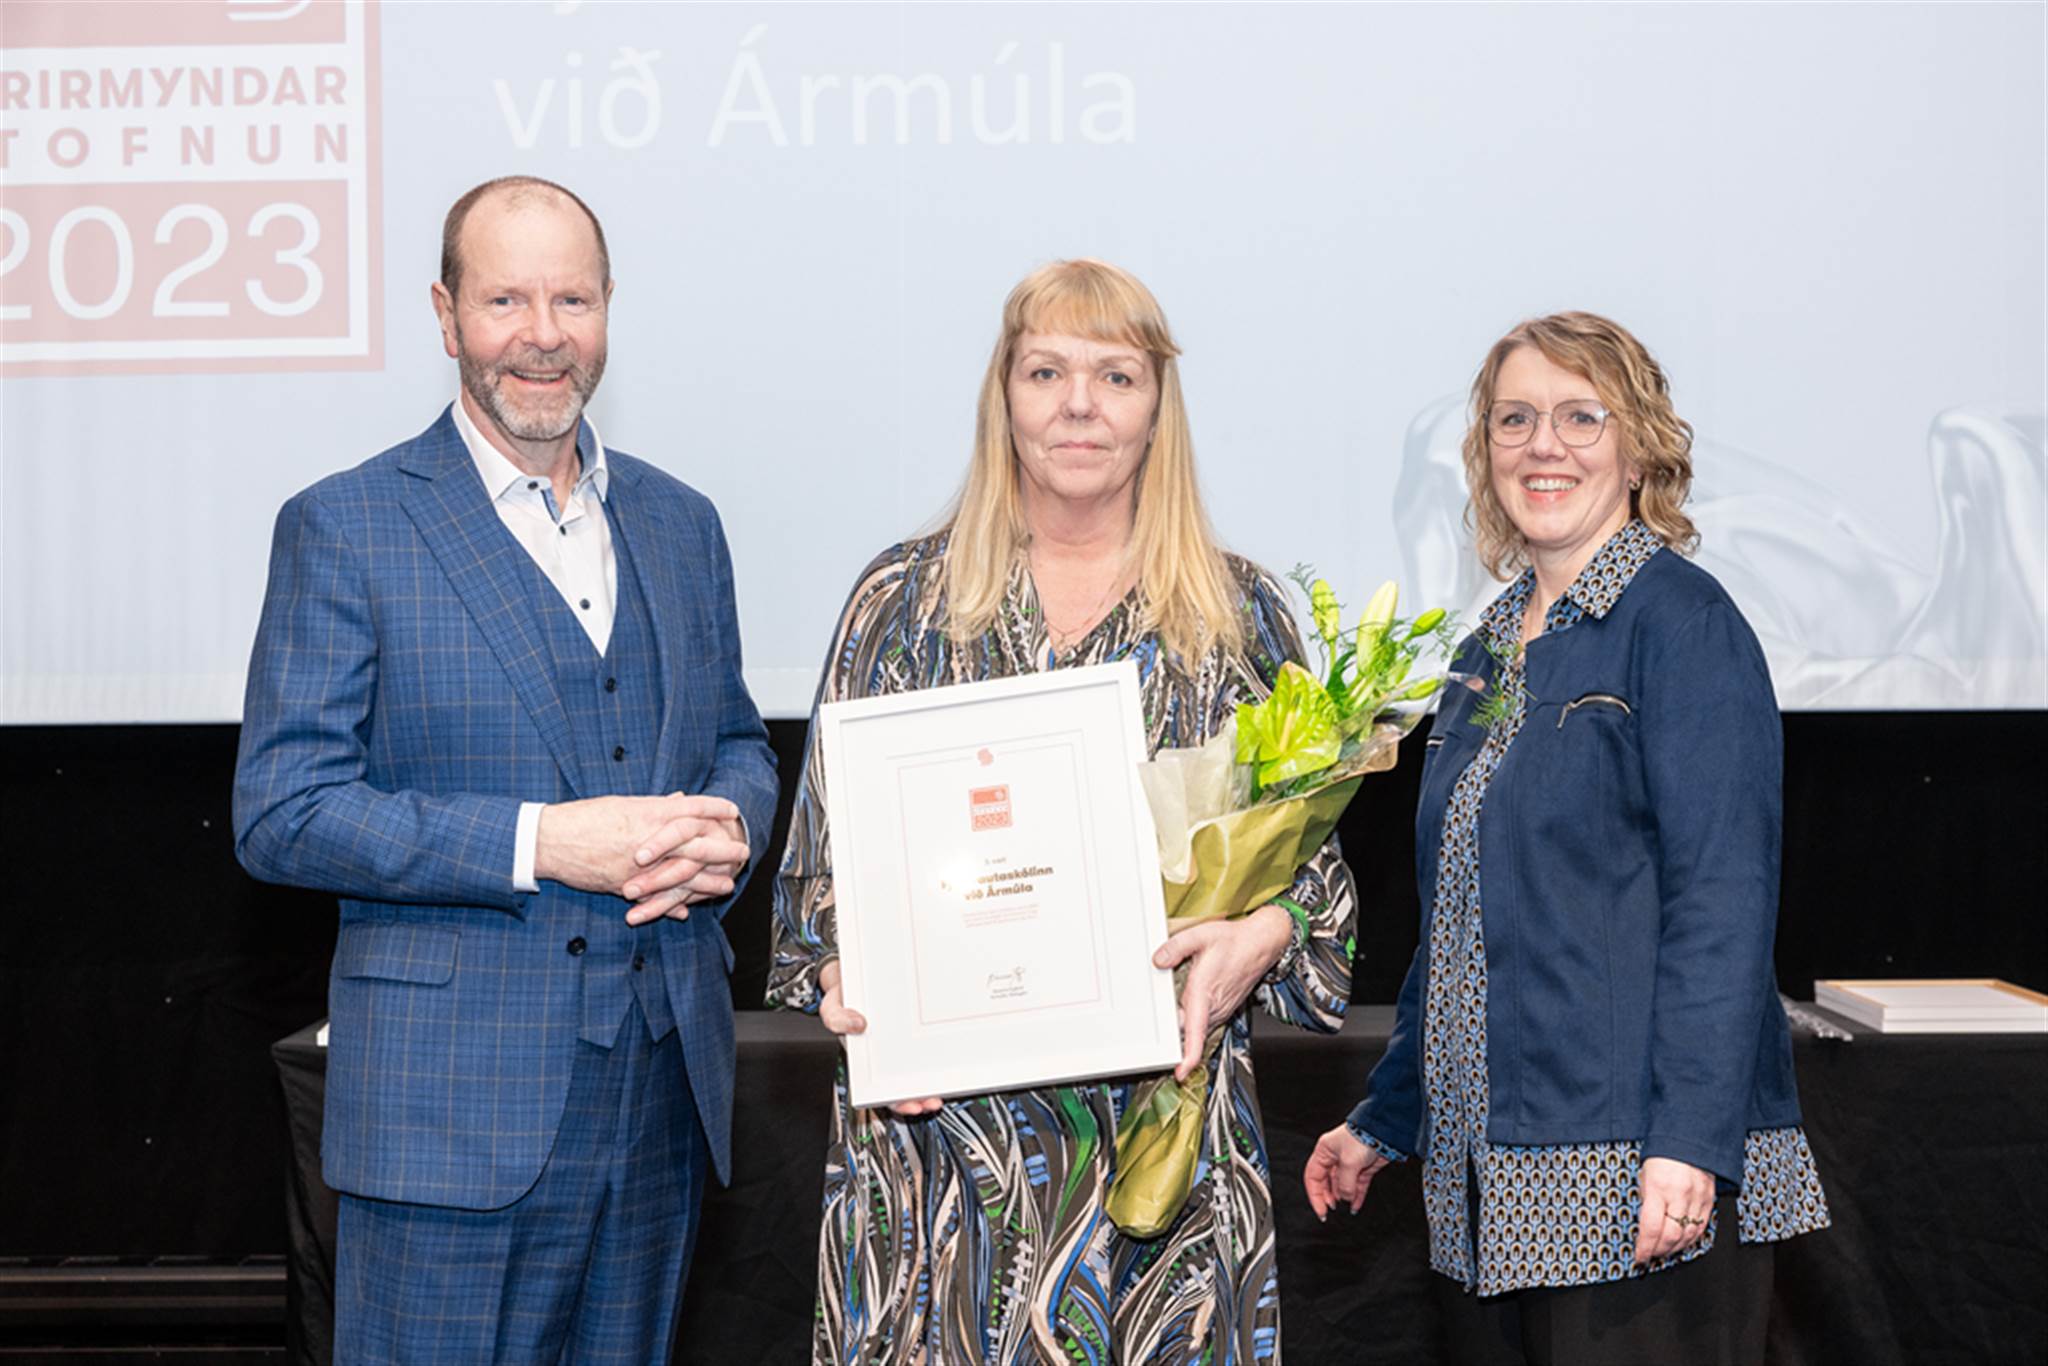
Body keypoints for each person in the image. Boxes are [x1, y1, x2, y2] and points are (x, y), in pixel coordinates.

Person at [767, 259, 1358, 1363]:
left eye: (1115, 376)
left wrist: (1263, 935)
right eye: (1045, 372)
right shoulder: (898, 605)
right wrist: (855, 982)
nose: (1078, 404)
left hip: (1163, 1162)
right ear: (1003, 396)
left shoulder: (1239, 616)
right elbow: (813, 888)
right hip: (941, 1167)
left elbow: (1317, 894)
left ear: (1157, 408)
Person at [233, 175, 777, 1365]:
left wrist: (732, 824)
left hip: (659, 1106)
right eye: (505, 300)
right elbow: (282, 811)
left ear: (608, 308)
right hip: (446, 1123)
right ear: (445, 315)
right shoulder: (347, 525)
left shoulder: (682, 523)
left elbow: (737, 738)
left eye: (571, 299)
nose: (542, 334)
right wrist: (540, 842)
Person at [1305, 312, 1830, 1364]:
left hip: (1640, 1182)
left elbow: (1722, 905)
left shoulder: (1682, 623)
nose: (1542, 444)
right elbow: (1459, 926)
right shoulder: (1483, 649)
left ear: (1638, 449)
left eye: (1579, 416)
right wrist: (1386, 1117)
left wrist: (1689, 1142)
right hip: (1485, 1183)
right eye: (1514, 419)